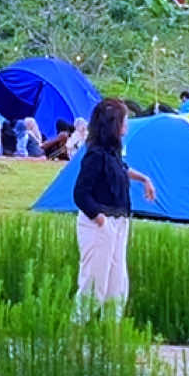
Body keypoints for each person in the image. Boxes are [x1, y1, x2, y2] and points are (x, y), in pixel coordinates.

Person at [72, 98, 155, 310]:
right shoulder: (94, 155)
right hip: (100, 224)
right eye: (124, 121)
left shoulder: (112, 153)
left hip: (119, 221)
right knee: (94, 281)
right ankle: (77, 330)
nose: (126, 126)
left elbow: (120, 169)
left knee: (117, 283)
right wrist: (99, 218)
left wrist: (144, 179)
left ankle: (111, 332)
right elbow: (81, 193)